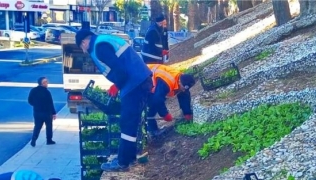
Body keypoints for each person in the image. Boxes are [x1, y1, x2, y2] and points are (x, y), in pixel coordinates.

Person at [75, 29, 152, 172]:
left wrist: (116, 85)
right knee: (130, 121)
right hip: (140, 81)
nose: (84, 51)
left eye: (81, 47)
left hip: (134, 84)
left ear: (84, 42)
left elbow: (120, 70)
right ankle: (129, 157)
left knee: (127, 121)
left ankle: (123, 162)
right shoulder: (103, 40)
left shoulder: (99, 48)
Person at [147, 64, 195, 136]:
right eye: (183, 88)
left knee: (183, 93)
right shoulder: (167, 82)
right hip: (141, 78)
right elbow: (157, 99)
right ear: (179, 82)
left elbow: (184, 95)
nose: (184, 90)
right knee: (149, 109)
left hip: (151, 78)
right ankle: (154, 131)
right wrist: (165, 114)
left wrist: (187, 113)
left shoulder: (182, 79)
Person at [28, 77, 57, 147]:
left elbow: (29, 100)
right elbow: (50, 103)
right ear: (43, 83)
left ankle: (33, 140)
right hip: (47, 113)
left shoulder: (33, 90)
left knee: (37, 126)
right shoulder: (47, 92)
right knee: (49, 126)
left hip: (37, 112)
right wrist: (54, 113)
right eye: (46, 82)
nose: (47, 83)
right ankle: (49, 140)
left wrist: (36, 105)